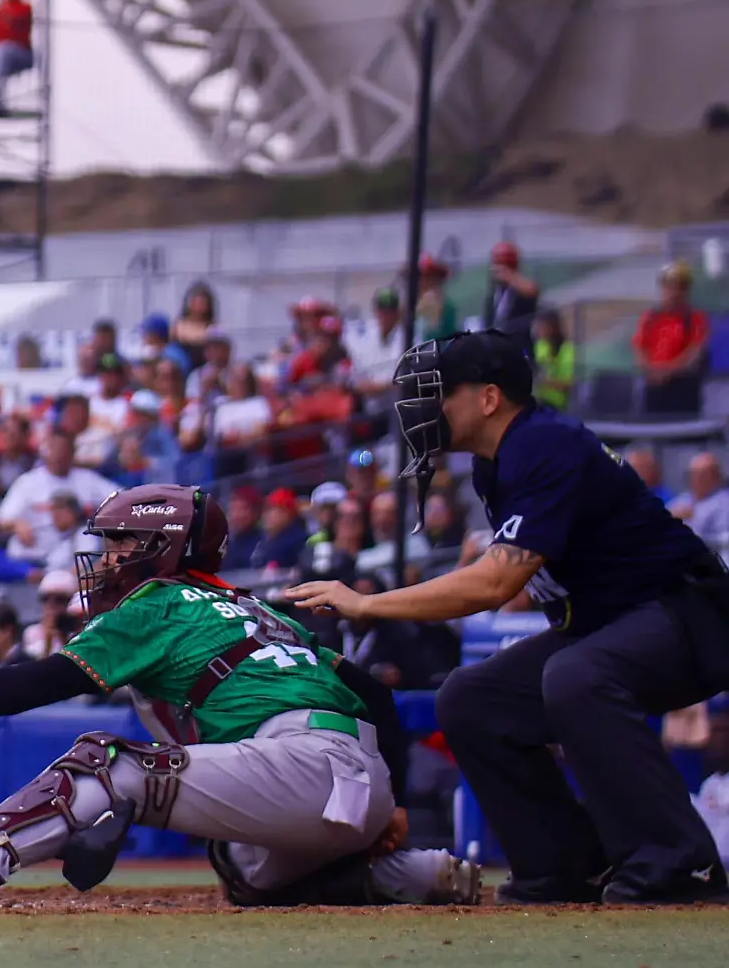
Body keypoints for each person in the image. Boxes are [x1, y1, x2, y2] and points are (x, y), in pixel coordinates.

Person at [0, 484, 478, 910]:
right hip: (342, 776)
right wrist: (388, 803)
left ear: (166, 548)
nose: (105, 558)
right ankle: (408, 874)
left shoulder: (158, 601)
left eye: (121, 543)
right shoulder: (253, 608)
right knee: (242, 866)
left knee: (106, 761)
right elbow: (371, 690)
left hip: (302, 763)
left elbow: (49, 679)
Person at [288, 330, 729, 905]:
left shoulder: (544, 443)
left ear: (489, 398)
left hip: (687, 615)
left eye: (442, 391)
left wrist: (367, 602)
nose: (430, 407)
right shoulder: (496, 463)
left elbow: (496, 582)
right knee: (472, 699)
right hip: (613, 625)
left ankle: (679, 864)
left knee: (577, 676)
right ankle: (568, 864)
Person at [632, 261, 710, 416]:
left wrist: (666, 372)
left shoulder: (695, 319)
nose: (674, 292)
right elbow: (639, 348)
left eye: (680, 287)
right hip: (653, 387)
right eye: (670, 286)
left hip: (682, 387)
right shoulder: (650, 317)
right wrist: (651, 370)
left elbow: (694, 354)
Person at [485, 241, 540, 345]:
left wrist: (509, 276)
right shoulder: (496, 293)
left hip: (517, 343)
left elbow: (533, 290)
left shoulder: (520, 290)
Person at [530, 309, 575, 410]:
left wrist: (545, 382)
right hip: (539, 399)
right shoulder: (541, 345)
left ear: (552, 327)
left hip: (557, 405)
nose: (538, 329)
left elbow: (569, 384)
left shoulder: (567, 350)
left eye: (542, 326)